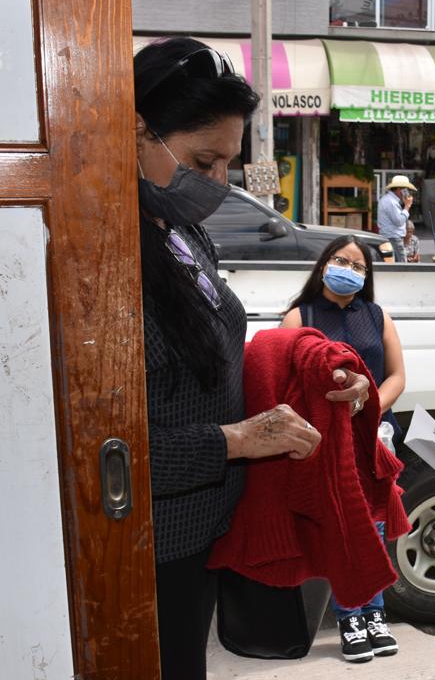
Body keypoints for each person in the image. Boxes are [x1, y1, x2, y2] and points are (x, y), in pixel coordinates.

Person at [134, 37, 371, 680]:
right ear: (134, 132)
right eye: (202, 160)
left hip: (213, 524)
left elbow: (221, 354)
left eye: (226, 165)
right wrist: (235, 441)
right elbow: (104, 453)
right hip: (153, 544)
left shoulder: (183, 232)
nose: (215, 183)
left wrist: (313, 373)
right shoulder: (103, 258)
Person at [281, 236, 407, 663]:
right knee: (338, 522)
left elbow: (396, 378)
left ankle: (375, 613)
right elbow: (286, 384)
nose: (349, 270)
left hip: (373, 435)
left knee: (373, 524)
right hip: (325, 439)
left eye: (359, 266)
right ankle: (350, 615)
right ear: (323, 266)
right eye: (341, 260)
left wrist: (367, 404)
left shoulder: (377, 316)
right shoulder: (300, 317)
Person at [378, 175, 416, 262]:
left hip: (390, 236)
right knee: (402, 264)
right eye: (406, 190)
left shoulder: (389, 200)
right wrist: (407, 206)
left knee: (393, 263)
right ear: (400, 189)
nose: (408, 193)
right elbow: (398, 221)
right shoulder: (391, 202)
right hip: (393, 237)